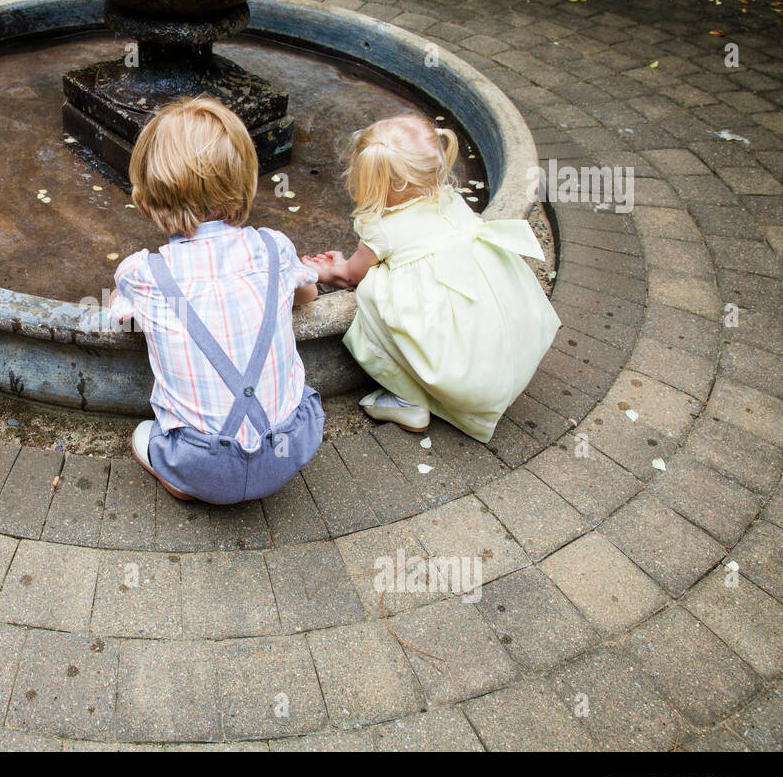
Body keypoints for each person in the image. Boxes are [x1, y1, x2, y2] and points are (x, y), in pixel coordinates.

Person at [110, 95, 324, 504]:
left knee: (143, 434)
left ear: (146, 195)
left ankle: (185, 482)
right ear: (245, 180)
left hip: (201, 463)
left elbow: (121, 317)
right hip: (291, 448)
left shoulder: (142, 275)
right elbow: (308, 292)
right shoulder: (273, 249)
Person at [304, 114, 559, 441]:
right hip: (507, 355)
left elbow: (352, 275)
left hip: (463, 380)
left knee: (369, 293)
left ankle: (408, 399)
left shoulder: (381, 228)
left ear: (373, 181)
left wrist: (326, 269)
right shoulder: (452, 201)